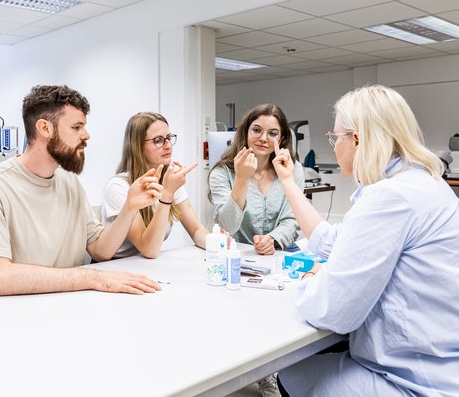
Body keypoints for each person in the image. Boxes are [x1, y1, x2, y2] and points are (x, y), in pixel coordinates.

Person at [272, 85, 459, 396]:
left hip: (413, 379)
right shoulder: (425, 183)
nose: (333, 146)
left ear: (355, 139)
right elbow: (333, 240)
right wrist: (289, 182)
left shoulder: (390, 196)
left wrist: (310, 279)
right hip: (442, 361)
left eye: (335, 138)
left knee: (291, 372)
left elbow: (333, 311)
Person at [0, 85, 163, 296]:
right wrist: (91, 278)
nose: (86, 135)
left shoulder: (69, 182)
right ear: (45, 128)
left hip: (59, 303)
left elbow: (100, 250)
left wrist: (130, 208)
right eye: (76, 127)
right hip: (1, 312)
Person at [102, 112, 207, 258]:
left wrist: (216, 241)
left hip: (144, 266)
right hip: (114, 267)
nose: (168, 145)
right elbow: (149, 249)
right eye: (158, 140)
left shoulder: (169, 179)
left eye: (169, 138)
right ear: (137, 146)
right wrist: (167, 194)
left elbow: (196, 230)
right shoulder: (118, 187)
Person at [208, 104, 304, 255]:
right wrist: (241, 179)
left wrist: (273, 239)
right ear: (245, 132)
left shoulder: (292, 168)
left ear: (282, 137)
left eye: (273, 133)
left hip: (279, 254)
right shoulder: (222, 172)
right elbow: (227, 226)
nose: (263, 138)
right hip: (237, 256)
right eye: (257, 130)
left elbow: (293, 219)